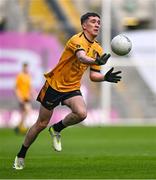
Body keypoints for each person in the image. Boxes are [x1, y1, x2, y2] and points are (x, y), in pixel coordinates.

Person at [13, 12, 122, 170]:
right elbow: (82, 57)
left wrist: (104, 77)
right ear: (84, 26)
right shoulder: (76, 40)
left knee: (81, 113)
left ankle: (56, 129)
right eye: (93, 21)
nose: (97, 24)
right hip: (54, 85)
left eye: (99, 22)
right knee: (40, 124)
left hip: (72, 87)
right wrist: (95, 60)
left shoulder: (98, 48)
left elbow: (93, 75)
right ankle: (21, 154)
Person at [14, 63, 33, 134]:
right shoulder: (20, 76)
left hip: (27, 97)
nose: (26, 69)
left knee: (24, 113)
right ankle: (26, 128)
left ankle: (19, 127)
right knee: (28, 111)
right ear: (23, 68)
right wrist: (19, 97)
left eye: (27, 68)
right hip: (22, 97)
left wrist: (34, 94)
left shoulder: (28, 76)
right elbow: (16, 88)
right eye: (25, 68)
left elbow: (30, 87)